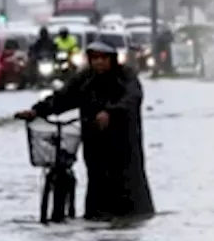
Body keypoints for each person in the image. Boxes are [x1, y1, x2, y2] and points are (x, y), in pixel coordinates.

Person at [15, 41, 155, 221]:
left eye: (103, 58)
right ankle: (96, 216)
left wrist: (110, 113)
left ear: (111, 59)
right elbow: (63, 98)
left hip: (124, 142)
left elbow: (132, 98)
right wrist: (37, 111)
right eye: (94, 58)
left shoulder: (125, 76)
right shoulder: (85, 79)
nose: (99, 63)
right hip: (94, 140)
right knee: (97, 182)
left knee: (129, 184)